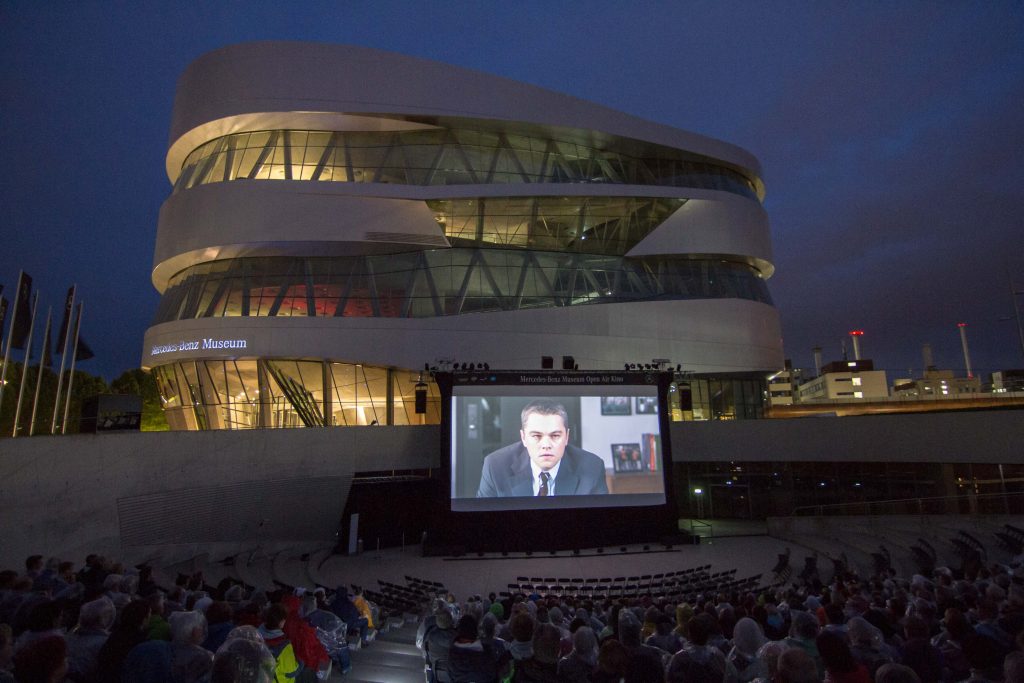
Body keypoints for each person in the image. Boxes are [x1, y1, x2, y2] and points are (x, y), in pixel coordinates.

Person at [476, 400, 608, 498]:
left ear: (567, 437)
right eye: (536, 436)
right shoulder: (495, 466)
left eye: (555, 435)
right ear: (523, 438)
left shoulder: (592, 467)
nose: (546, 445)